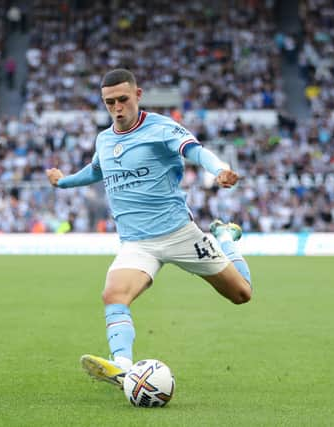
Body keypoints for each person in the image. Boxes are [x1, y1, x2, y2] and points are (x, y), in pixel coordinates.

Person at [45, 69, 252, 388]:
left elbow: (194, 151)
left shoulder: (161, 128)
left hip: (180, 235)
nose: (117, 107)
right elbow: (96, 169)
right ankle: (122, 367)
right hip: (136, 244)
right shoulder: (104, 139)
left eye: (123, 100)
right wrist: (64, 182)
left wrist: (220, 169)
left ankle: (224, 237)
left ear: (138, 95)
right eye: (109, 102)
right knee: (113, 294)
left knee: (242, 294)